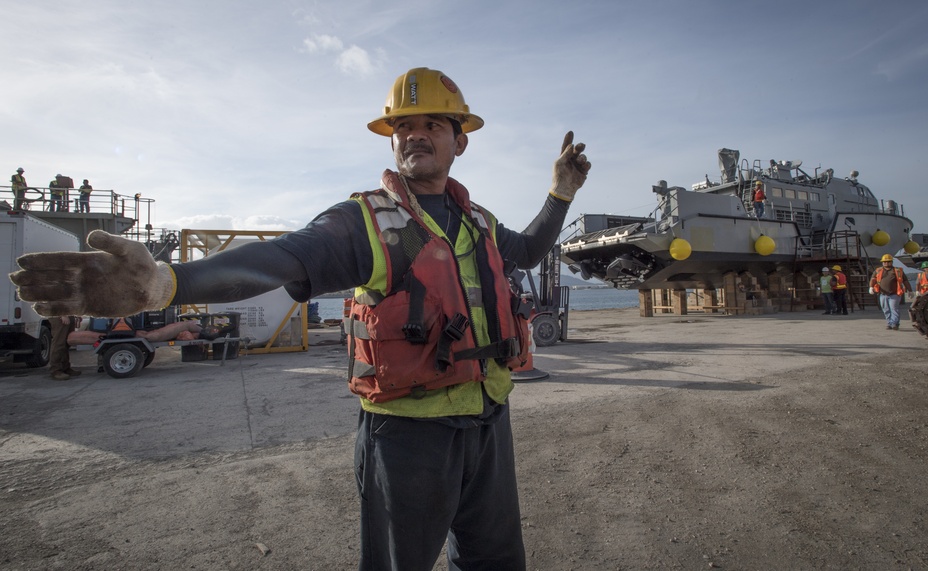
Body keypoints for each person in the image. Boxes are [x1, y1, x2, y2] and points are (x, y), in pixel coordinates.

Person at [9, 67, 590, 570]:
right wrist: (170, 281)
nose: (415, 134)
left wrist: (560, 193)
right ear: (391, 142)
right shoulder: (364, 221)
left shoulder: (479, 222)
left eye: (434, 124)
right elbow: (278, 257)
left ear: (459, 142)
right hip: (409, 434)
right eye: (403, 126)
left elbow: (529, 250)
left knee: (495, 561)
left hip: (489, 419)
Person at [869, 254, 912, 330]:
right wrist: (871, 287)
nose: (886, 263)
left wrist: (910, 290)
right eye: (884, 262)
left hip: (894, 294)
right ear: (882, 263)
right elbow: (873, 279)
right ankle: (889, 323)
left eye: (888, 262)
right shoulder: (878, 270)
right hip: (883, 294)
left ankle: (894, 323)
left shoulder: (898, 271)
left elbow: (905, 280)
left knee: (894, 309)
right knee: (886, 310)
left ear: (891, 262)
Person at [49, 316, 81, 381]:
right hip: (59, 315)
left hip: (69, 314)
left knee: (66, 343)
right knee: (59, 342)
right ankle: (55, 370)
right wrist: (62, 314)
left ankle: (65, 367)